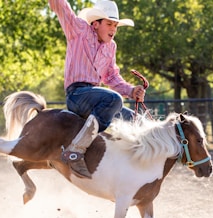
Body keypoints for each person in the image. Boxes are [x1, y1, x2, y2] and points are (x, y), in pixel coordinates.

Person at [48, 0, 146, 178]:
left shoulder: (111, 47)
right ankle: (75, 151)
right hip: (77, 95)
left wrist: (131, 90)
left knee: (135, 120)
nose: (113, 29)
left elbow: (111, 77)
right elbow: (62, 8)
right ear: (95, 24)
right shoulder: (79, 30)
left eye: (115, 25)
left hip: (98, 99)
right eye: (109, 24)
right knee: (114, 99)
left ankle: (124, 170)